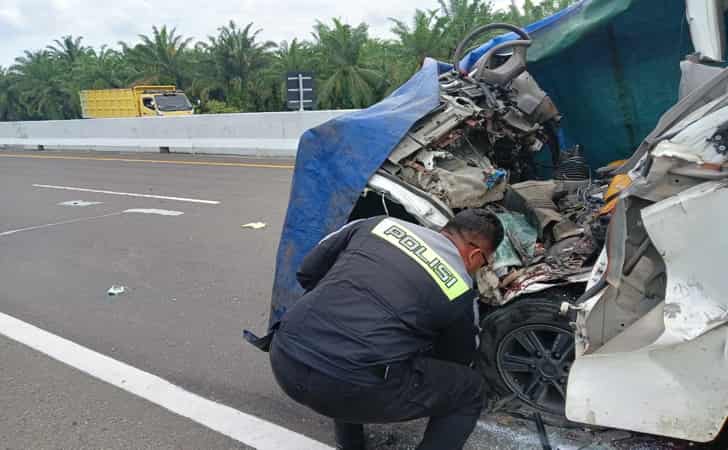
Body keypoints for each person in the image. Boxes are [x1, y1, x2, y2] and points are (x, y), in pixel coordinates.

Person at [269, 209, 504, 450]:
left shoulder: (376, 223)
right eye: (485, 263)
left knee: (352, 333)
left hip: (285, 357)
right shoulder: (459, 287)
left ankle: (349, 443)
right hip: (348, 389)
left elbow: (307, 272)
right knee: (470, 390)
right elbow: (457, 358)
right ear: (476, 255)